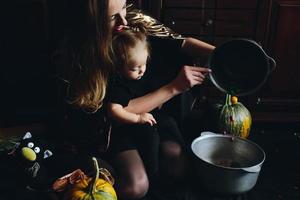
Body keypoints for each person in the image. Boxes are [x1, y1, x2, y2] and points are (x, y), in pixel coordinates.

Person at [53, 0, 215, 199]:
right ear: (92, 23)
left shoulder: (129, 19)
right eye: (113, 17)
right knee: (136, 187)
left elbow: (179, 41)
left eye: (124, 7)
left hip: (148, 118)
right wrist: (174, 87)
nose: (124, 19)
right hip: (108, 129)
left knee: (177, 163)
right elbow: (116, 111)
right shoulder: (80, 56)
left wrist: (223, 55)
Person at [107, 26, 186, 190]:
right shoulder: (118, 85)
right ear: (118, 67)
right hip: (125, 127)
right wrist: (137, 118)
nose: (141, 71)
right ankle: (152, 174)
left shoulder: (143, 72)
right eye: (134, 68)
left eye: (143, 64)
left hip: (150, 120)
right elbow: (114, 111)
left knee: (169, 128)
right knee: (150, 143)